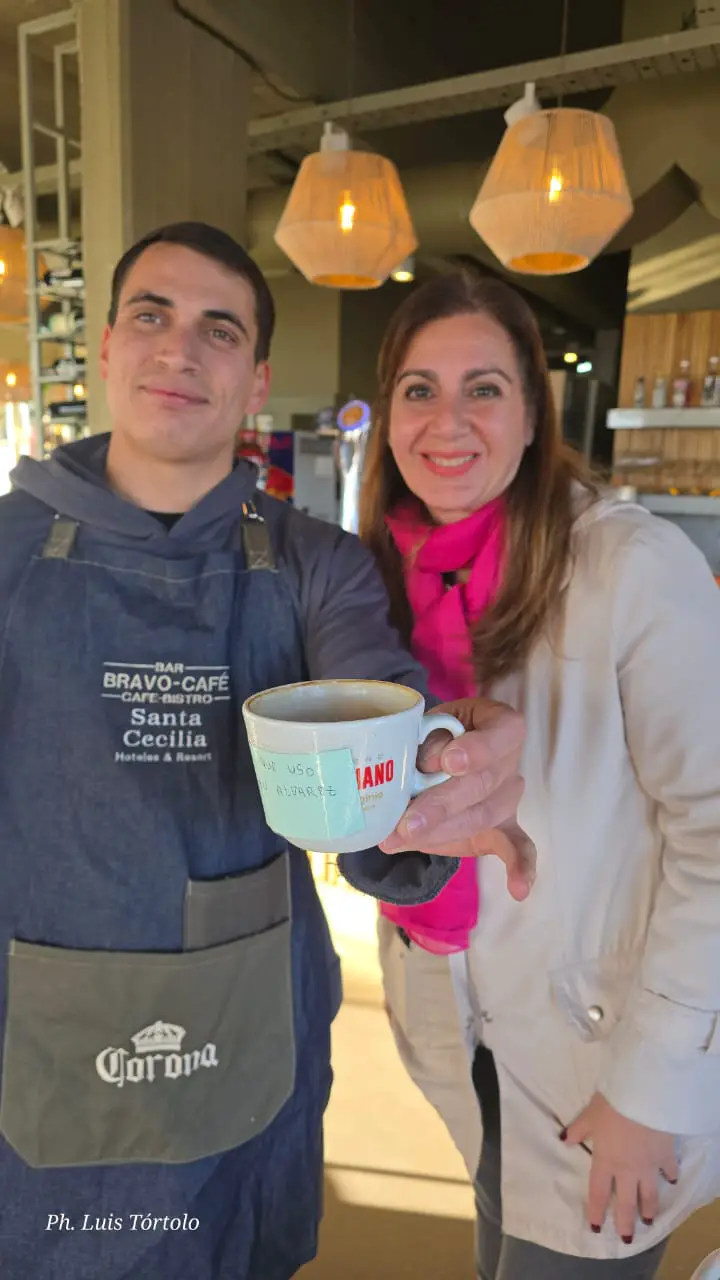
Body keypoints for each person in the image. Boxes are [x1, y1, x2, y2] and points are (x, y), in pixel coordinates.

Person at [0, 224, 533, 1280]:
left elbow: (376, 696)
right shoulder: (10, 549)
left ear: (255, 380)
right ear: (107, 345)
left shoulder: (314, 561)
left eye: (220, 328)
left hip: (245, 1024)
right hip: (37, 1034)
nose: (178, 347)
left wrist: (432, 779)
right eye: (151, 314)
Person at [360, 270, 720, 1280]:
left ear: (531, 416)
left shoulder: (630, 567)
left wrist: (650, 1092)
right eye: (420, 389)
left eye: (484, 388)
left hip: (606, 1070)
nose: (448, 422)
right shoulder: (382, 580)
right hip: (467, 1038)